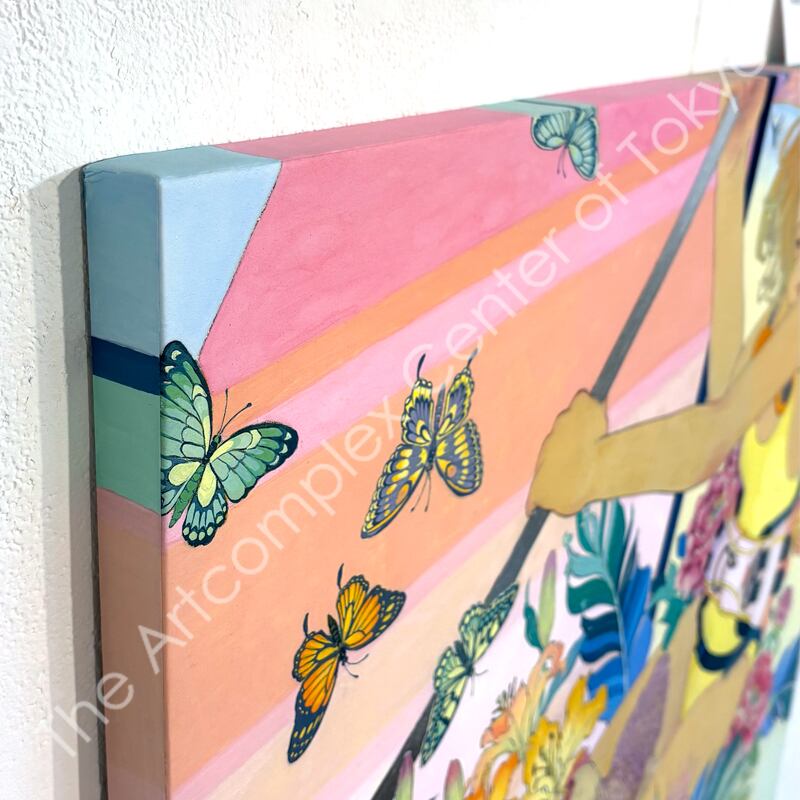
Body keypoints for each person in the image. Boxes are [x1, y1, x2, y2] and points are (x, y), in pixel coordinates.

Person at [526, 79, 800, 715]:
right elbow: (721, 387)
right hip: (705, 624)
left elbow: (714, 435)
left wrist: (592, 474)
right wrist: (729, 170)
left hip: (732, 647)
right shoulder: (776, 334)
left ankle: (586, 476)